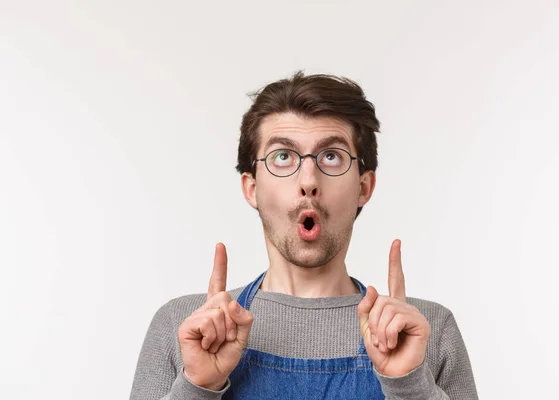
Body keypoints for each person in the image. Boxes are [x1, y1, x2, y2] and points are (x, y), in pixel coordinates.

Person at [129, 71, 479, 400]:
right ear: (252, 188)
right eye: (283, 156)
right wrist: (196, 388)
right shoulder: (184, 327)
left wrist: (411, 387)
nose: (308, 180)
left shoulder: (427, 332)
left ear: (363, 186)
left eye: (331, 156)